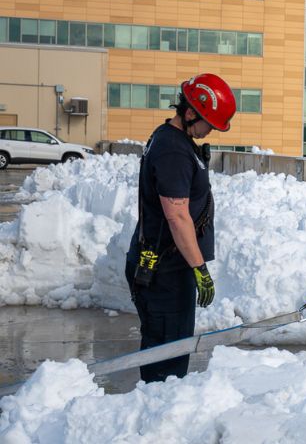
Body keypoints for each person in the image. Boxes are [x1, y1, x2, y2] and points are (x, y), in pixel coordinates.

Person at [124, 73, 236, 382]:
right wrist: (200, 268)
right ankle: (158, 419)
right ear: (189, 113)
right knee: (167, 363)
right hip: (166, 272)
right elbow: (177, 217)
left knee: (169, 351)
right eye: (209, 123)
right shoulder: (173, 149)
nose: (212, 129)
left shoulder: (176, 141)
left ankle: (159, 412)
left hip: (168, 267)